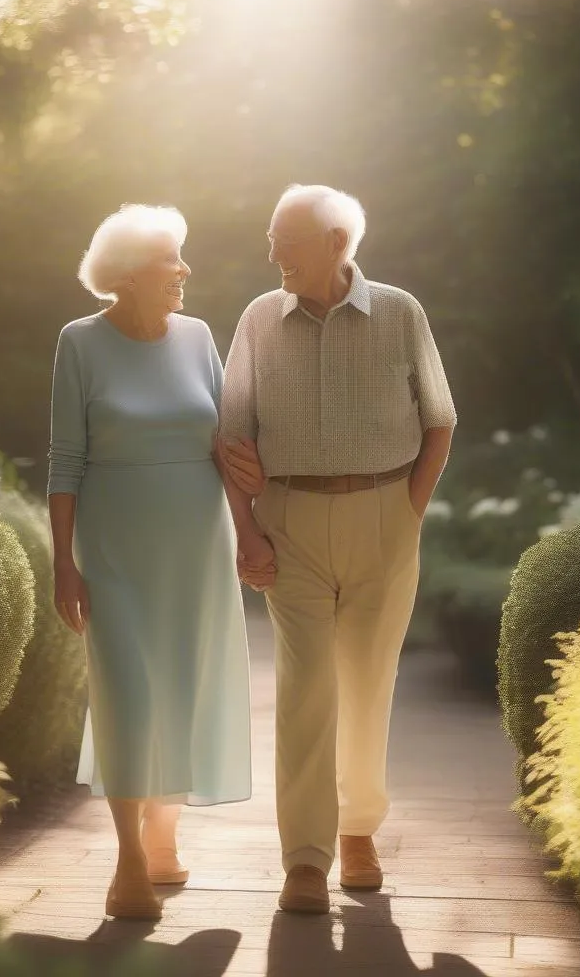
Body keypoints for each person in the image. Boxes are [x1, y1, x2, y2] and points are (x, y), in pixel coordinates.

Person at [219, 183, 457, 915]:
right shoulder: (260, 319)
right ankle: (305, 858)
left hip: (385, 516)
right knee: (305, 689)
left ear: (333, 242)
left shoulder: (399, 312)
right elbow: (230, 439)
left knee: (366, 687)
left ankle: (358, 833)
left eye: (284, 240)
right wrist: (248, 529)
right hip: (289, 521)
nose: (271, 254)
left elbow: (440, 421)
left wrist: (408, 509)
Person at [47, 204, 257, 921]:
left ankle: (163, 839)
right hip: (112, 549)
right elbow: (65, 461)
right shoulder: (79, 343)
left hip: (198, 546)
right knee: (129, 695)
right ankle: (128, 860)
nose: (185, 271)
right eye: (173, 259)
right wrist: (62, 563)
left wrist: (252, 533)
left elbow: (228, 442)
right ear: (131, 274)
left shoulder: (199, 337)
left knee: (185, 687)